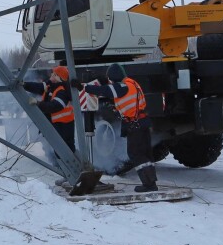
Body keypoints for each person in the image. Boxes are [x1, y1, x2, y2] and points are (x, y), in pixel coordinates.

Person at [83, 63, 157, 193]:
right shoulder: (131, 83)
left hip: (135, 124)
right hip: (142, 122)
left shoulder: (122, 86)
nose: (110, 82)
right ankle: (151, 182)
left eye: (111, 79)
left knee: (136, 153)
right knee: (145, 153)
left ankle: (149, 184)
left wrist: (84, 87)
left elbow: (105, 91)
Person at [24, 65, 75, 151]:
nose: (51, 75)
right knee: (57, 152)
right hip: (56, 127)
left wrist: (38, 103)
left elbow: (54, 106)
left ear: (58, 77)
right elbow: (39, 87)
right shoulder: (51, 86)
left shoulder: (62, 91)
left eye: (54, 74)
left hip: (63, 127)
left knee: (64, 152)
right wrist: (25, 85)